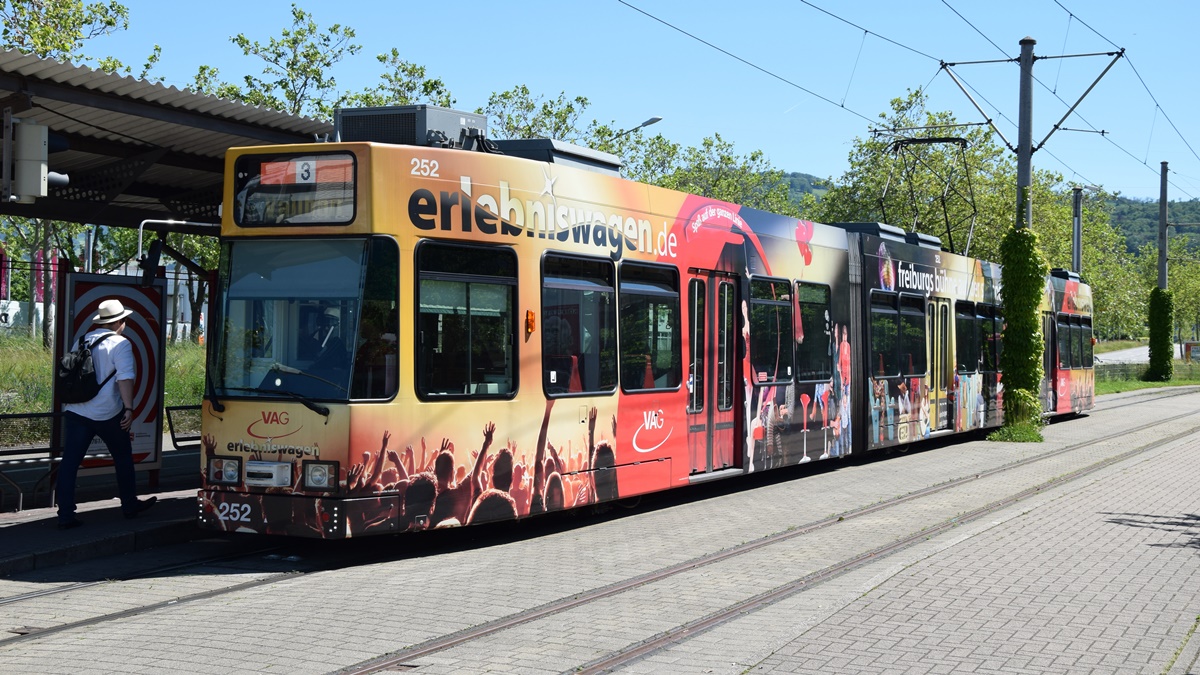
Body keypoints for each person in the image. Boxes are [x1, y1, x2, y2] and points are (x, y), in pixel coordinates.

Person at [56, 298, 156, 529]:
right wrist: (129, 408)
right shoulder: (121, 344)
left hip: (77, 411)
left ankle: (65, 515)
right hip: (108, 413)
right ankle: (129, 506)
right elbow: (125, 377)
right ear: (120, 321)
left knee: (70, 463)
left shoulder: (81, 340)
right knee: (122, 457)